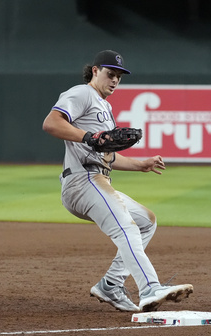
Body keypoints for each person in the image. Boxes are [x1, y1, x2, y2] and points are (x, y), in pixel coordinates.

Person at [42, 50, 193, 312]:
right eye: (110, 74)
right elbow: (51, 123)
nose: (115, 80)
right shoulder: (82, 93)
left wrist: (140, 164)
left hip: (98, 179)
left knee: (146, 221)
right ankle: (150, 288)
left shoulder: (106, 107)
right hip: (83, 181)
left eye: (119, 77)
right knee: (127, 227)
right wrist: (90, 137)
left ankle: (111, 284)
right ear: (95, 71)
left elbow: (106, 155)